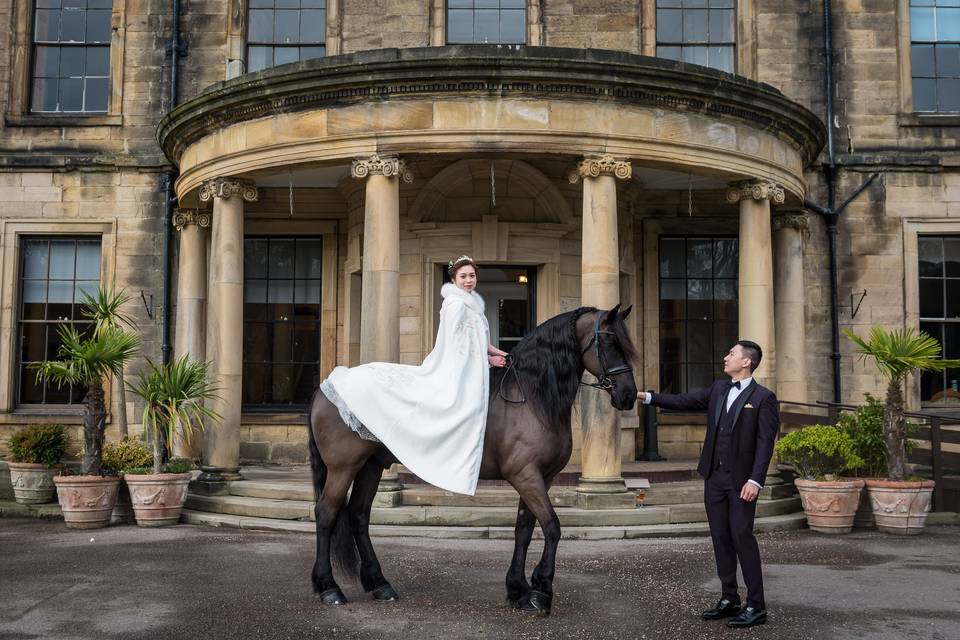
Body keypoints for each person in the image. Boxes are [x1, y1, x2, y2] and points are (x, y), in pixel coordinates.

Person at [319, 255, 507, 496]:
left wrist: (503, 353)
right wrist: (488, 360)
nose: (468, 280)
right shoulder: (456, 305)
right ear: (453, 279)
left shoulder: (472, 305)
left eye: (472, 276)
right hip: (459, 366)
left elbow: (481, 341)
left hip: (474, 365)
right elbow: (457, 344)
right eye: (463, 276)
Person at [639, 340, 778, 629]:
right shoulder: (718, 389)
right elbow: (684, 401)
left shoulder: (764, 398)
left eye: (731, 354)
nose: (725, 357)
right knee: (720, 538)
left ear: (746, 362)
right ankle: (730, 598)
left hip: (742, 483)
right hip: (714, 478)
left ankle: (756, 605)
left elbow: (766, 444)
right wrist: (648, 397)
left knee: (742, 537)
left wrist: (756, 480)